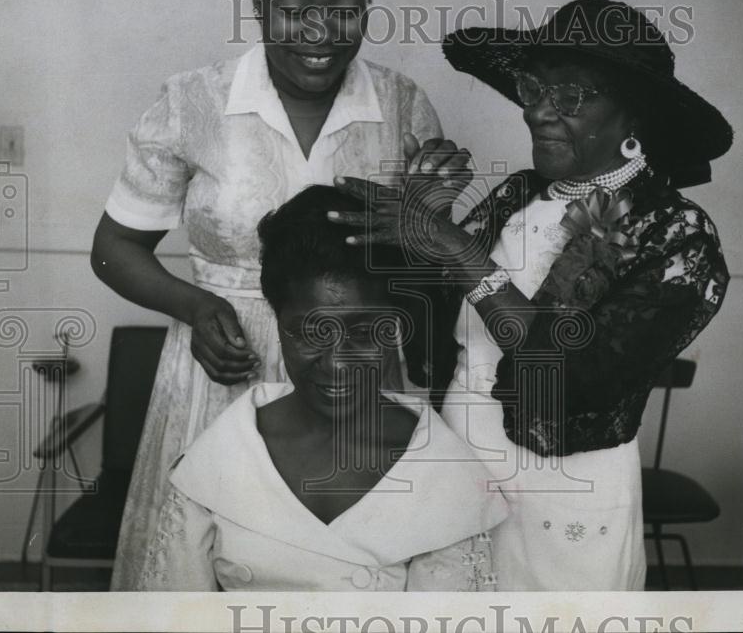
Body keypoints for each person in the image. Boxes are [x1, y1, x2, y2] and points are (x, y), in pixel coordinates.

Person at [91, 0, 467, 588]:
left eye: (345, 6)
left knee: (356, 572)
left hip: (357, 374)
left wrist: (432, 216)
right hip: (221, 373)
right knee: (196, 572)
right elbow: (114, 246)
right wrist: (195, 307)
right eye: (297, 7)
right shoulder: (191, 103)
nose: (322, 31)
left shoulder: (403, 106)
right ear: (261, 4)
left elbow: (422, 276)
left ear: (368, 4)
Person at [329, 0, 733, 590]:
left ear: (635, 117)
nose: (539, 112)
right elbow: (435, 327)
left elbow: (572, 373)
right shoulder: (518, 195)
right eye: (533, 88)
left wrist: (458, 252)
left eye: (569, 96)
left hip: (563, 491)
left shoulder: (677, 235)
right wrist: (420, 231)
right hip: (460, 457)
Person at [136, 186, 507, 591]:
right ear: (276, 322)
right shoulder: (221, 457)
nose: (337, 363)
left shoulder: (441, 477)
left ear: (396, 325)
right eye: (310, 333)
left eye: (364, 332)